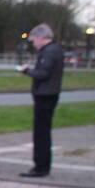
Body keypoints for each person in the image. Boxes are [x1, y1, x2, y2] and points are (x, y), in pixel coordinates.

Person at [17, 23, 64, 177]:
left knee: (41, 132)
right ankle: (42, 165)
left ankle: (41, 166)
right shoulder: (55, 49)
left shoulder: (49, 52)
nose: (34, 43)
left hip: (45, 95)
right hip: (49, 94)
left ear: (41, 37)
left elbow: (44, 73)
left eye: (34, 39)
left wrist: (26, 71)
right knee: (42, 131)